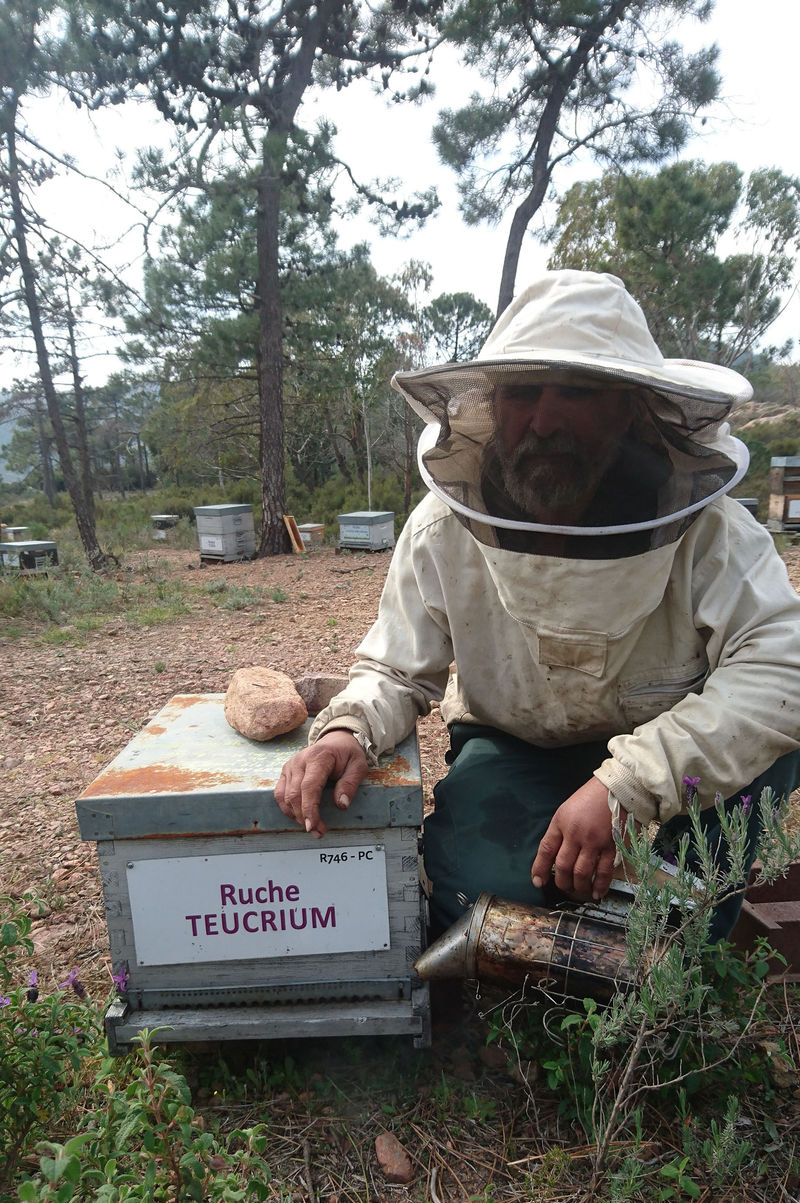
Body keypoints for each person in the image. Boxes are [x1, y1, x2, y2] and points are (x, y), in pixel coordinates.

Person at [275, 270, 800, 941]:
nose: (543, 421)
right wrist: (348, 728)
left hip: (673, 752)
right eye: (523, 393)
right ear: (494, 406)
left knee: (676, 910)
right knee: (475, 896)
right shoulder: (443, 527)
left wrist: (623, 787)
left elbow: (781, 671)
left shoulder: (711, 531)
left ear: (627, 407)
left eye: (576, 393)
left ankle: (672, 922)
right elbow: (398, 668)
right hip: (515, 745)